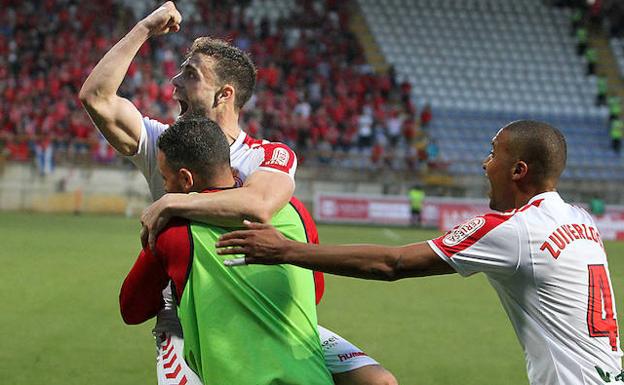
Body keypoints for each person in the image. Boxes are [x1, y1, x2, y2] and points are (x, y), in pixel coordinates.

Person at [79, 2, 396, 384]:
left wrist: (172, 202)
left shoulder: (268, 155)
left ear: (223, 94)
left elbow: (260, 204)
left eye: (190, 75)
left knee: (377, 381)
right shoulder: (165, 143)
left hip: (262, 310)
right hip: (186, 312)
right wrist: (144, 28)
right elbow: (96, 97)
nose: (174, 83)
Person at [219, 120, 623, 385]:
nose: (485, 164)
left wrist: (287, 249)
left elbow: (391, 264)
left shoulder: (514, 230)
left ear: (518, 170)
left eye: (493, 153)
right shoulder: (582, 220)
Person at [120, 117, 333, 385]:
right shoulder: (296, 211)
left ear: (186, 179)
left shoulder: (173, 231)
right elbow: (315, 292)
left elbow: (132, 309)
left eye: (165, 178)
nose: (164, 188)